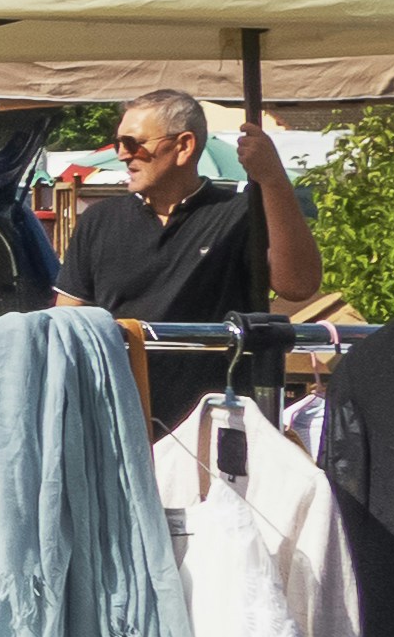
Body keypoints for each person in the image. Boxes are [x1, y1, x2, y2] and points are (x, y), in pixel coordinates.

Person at [57, 84, 320, 417]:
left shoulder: (240, 215)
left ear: (183, 146)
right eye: (119, 143)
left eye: (132, 143)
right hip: (117, 420)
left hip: (215, 424)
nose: (122, 154)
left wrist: (272, 179)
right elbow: (66, 324)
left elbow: (299, 285)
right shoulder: (99, 220)